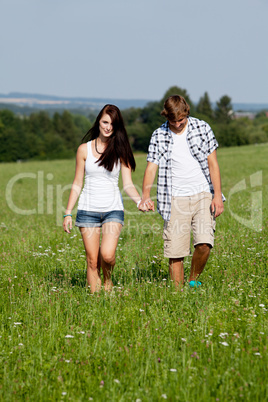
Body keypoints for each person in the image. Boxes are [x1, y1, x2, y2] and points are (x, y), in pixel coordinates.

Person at [139, 95, 224, 288]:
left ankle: (193, 280)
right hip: (174, 198)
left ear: (186, 113)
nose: (177, 124)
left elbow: (213, 163)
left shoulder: (202, 128)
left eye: (181, 120)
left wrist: (217, 196)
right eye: (172, 120)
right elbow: (151, 167)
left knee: (204, 243)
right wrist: (145, 196)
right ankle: (178, 296)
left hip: (203, 193)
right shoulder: (159, 135)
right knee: (175, 252)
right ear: (166, 116)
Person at [63, 104, 142, 293]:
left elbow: (128, 184)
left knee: (107, 256)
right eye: (105, 122)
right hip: (87, 210)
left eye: (112, 124)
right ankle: (96, 302)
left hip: (113, 210)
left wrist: (139, 201)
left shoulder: (120, 149)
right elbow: (76, 183)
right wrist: (67, 213)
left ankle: (108, 279)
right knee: (92, 260)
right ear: (98, 121)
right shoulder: (84, 150)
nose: (108, 127)